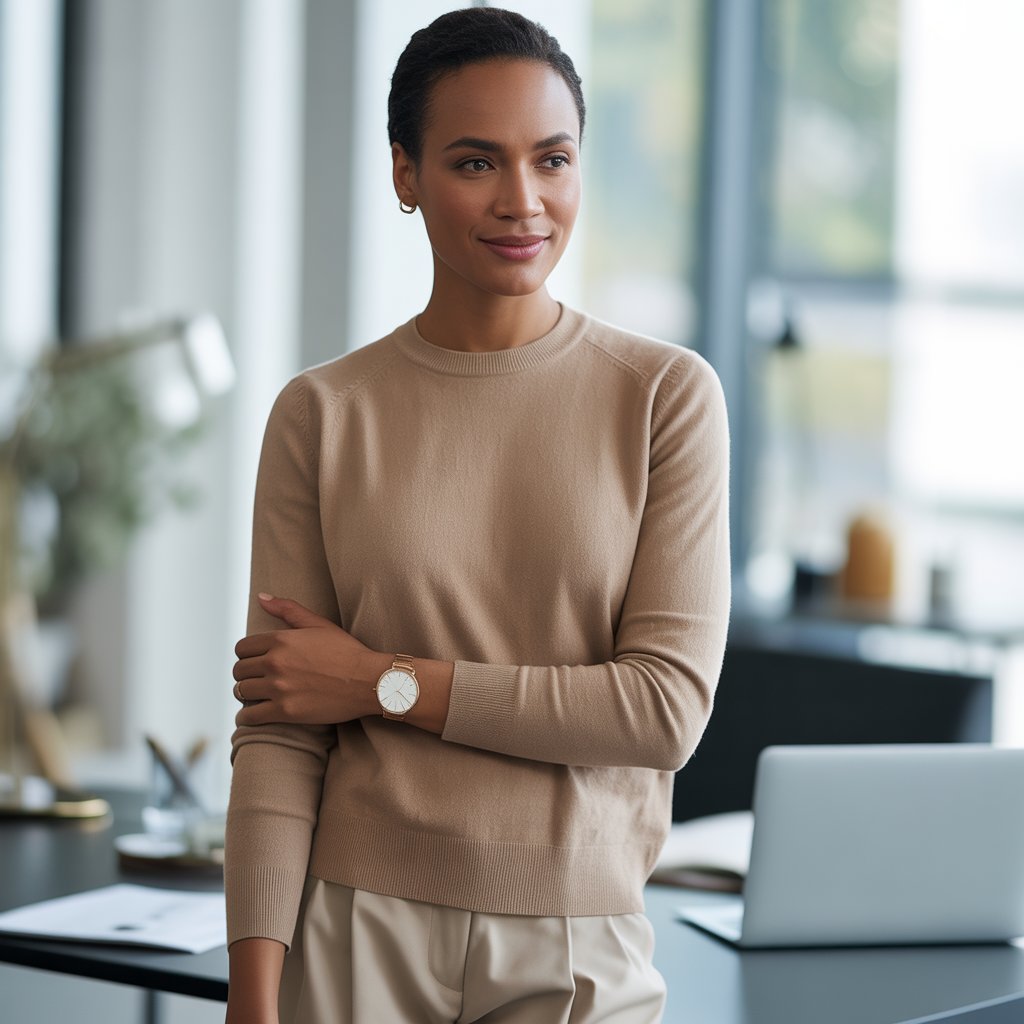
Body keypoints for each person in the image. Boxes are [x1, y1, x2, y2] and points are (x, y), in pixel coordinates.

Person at [223, 8, 730, 1023]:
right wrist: (254, 993)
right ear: (404, 173)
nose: (522, 201)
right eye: (472, 162)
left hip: (580, 942)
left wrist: (380, 682)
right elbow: (282, 727)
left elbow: (661, 710)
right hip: (357, 930)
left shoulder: (663, 396)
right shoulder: (322, 414)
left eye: (552, 158)